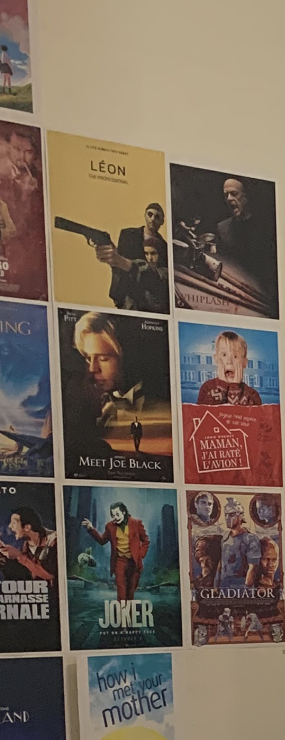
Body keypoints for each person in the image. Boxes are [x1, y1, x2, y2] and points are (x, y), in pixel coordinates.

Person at [67, 314, 139, 466]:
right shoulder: (95, 402)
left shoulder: (152, 402)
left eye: (103, 358)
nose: (93, 368)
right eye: (88, 358)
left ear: (124, 356)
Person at [214, 177, 276, 312]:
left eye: (234, 194)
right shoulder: (222, 228)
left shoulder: (266, 226)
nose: (229, 199)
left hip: (264, 298)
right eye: (226, 195)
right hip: (234, 296)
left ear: (246, 197)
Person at [96, 202, 168, 311]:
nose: (152, 219)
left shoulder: (164, 246)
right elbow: (118, 262)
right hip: (127, 296)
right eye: (150, 214)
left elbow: (161, 277)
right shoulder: (128, 234)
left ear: (162, 221)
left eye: (157, 217)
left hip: (149, 300)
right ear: (145, 215)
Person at [80, 498, 149, 605]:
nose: (115, 517)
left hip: (134, 562)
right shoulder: (110, 526)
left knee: (130, 592)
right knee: (121, 591)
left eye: (117, 514)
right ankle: (122, 611)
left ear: (124, 512)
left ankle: (129, 613)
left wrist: (141, 554)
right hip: (119, 561)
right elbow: (102, 540)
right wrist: (91, 529)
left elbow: (145, 541)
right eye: (113, 515)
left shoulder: (136, 523)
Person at [195, 329, 261, 406]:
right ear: (216, 359)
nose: (229, 361)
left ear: (244, 363)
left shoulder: (252, 395)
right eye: (224, 355)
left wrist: (235, 387)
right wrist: (221, 386)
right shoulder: (207, 388)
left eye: (235, 356)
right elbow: (205, 412)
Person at [218, 499, 259, 590]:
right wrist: (216, 585)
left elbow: (253, 567)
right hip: (224, 585)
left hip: (241, 585)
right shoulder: (225, 537)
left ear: (241, 516)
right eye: (226, 514)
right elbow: (221, 563)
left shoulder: (250, 538)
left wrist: (246, 589)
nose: (227, 518)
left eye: (231, 514)